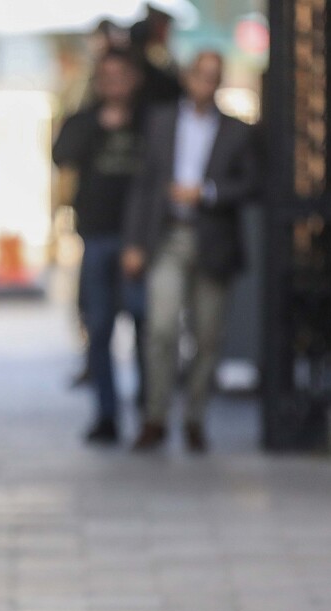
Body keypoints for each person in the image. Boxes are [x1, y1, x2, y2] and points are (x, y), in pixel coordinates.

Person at [122, 50, 259, 453]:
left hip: (213, 239)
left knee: (207, 336)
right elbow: (143, 185)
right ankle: (155, 416)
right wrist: (134, 242)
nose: (206, 83)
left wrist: (208, 193)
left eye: (214, 76)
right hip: (168, 236)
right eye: (201, 75)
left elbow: (252, 184)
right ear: (188, 77)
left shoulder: (236, 131)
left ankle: (195, 418)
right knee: (160, 327)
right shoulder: (161, 122)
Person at [52, 49, 147, 445]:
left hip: (141, 239)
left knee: (147, 325)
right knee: (100, 328)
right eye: (105, 76)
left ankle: (149, 410)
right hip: (97, 236)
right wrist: (95, 121)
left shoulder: (149, 121)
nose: (113, 83)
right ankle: (107, 414)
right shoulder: (83, 121)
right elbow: (62, 156)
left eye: (120, 74)